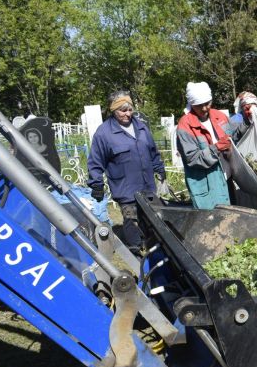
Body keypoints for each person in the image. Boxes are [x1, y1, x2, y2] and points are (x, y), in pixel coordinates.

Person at [87, 90, 168, 254]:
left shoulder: (141, 127)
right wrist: (96, 184)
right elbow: (95, 161)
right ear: (113, 110)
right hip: (125, 186)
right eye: (122, 110)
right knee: (131, 219)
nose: (128, 114)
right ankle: (135, 251)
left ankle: (154, 248)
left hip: (147, 184)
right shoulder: (104, 133)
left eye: (130, 109)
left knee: (151, 217)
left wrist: (159, 168)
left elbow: (153, 151)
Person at [176, 81, 232, 210]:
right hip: (207, 183)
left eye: (207, 103)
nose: (205, 109)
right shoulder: (185, 125)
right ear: (191, 104)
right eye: (199, 105)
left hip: (227, 178)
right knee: (211, 221)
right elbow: (193, 159)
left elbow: (232, 137)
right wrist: (217, 148)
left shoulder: (220, 116)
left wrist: (248, 121)